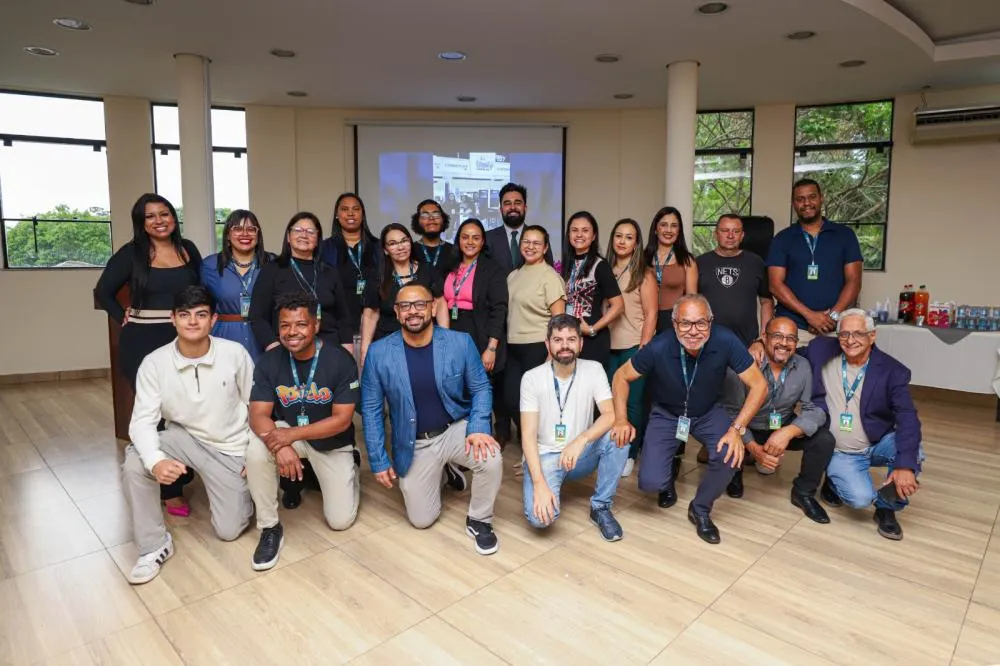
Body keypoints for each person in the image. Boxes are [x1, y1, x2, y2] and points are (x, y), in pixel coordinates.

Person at [120, 286, 254, 584]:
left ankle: (245, 491)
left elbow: (255, 405)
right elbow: (141, 421)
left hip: (229, 448)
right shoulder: (154, 362)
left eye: (201, 315)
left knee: (229, 531)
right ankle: (153, 545)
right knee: (135, 460)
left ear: (213, 320)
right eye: (184, 315)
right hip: (183, 439)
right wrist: (155, 461)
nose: (192, 322)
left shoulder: (235, 354)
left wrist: (254, 453)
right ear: (173, 319)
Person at [611, 294, 767, 544]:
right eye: (686, 323)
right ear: (674, 324)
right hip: (667, 413)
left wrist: (737, 430)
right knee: (650, 482)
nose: (693, 331)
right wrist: (620, 418)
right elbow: (621, 376)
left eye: (701, 323)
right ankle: (666, 480)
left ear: (711, 322)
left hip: (707, 411)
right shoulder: (659, 346)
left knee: (730, 455)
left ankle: (701, 508)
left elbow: (759, 385)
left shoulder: (726, 340)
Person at [361, 284, 503, 555]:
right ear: (397, 312)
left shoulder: (459, 342)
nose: (413, 311)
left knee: (491, 458)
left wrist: (478, 428)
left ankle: (479, 519)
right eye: (405, 306)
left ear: (433, 307)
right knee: (421, 520)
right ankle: (445, 469)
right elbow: (371, 409)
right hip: (416, 443)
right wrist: (378, 459)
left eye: (420, 304)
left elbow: (481, 388)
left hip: (454, 430)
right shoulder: (379, 354)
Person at [96, 193, 201, 516]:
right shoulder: (132, 254)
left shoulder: (188, 249)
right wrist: (122, 315)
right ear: (141, 223)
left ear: (173, 217)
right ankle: (170, 491)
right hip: (142, 340)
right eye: (151, 216)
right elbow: (103, 292)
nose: (159, 220)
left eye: (165, 213)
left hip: (184, 339)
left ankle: (186, 469)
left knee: (187, 408)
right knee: (155, 415)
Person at [245, 292, 361, 570]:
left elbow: (342, 420)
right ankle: (269, 527)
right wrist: (280, 445)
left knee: (340, 522)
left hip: (330, 441)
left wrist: (290, 436)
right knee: (256, 447)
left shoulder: (340, 360)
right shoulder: (269, 361)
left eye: (300, 324)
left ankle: (351, 469)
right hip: (290, 434)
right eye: (285, 325)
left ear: (316, 325)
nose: (292, 332)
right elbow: (257, 414)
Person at [799, 308, 923, 540]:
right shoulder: (820, 349)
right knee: (860, 498)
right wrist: (758, 345)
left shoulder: (892, 371)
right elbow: (789, 352)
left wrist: (904, 466)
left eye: (858, 333)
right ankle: (835, 481)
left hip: (877, 442)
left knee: (913, 452)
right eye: (844, 334)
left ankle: (887, 508)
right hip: (842, 450)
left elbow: (907, 417)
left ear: (872, 336)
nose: (850, 340)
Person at [521, 315, 630, 541]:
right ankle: (542, 484)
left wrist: (580, 441)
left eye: (571, 339)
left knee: (619, 434)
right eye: (558, 340)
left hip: (581, 454)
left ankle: (600, 506)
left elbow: (610, 415)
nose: (564, 346)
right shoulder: (531, 379)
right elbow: (528, 436)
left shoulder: (594, 369)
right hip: (547, 457)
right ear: (547, 344)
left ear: (581, 343)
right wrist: (539, 482)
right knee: (540, 519)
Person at [723, 317, 834, 523]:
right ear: (764, 338)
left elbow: (814, 409)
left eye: (791, 338)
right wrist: (754, 448)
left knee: (825, 439)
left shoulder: (802, 366)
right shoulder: (743, 364)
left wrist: (789, 431)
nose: (784, 343)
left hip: (781, 424)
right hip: (748, 426)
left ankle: (803, 493)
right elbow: (731, 414)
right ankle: (735, 474)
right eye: (778, 336)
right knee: (723, 431)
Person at [766, 179, 863, 342]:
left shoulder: (845, 235)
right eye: (800, 199)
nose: (806, 203)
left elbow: (854, 281)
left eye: (812, 197)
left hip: (836, 328)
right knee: (791, 368)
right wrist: (810, 316)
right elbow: (775, 285)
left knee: (837, 368)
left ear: (821, 198)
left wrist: (831, 317)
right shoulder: (782, 239)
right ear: (793, 203)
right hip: (793, 330)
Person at [250, 212, 353, 354]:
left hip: (328, 349)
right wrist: (273, 348)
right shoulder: (272, 270)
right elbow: (257, 317)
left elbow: (344, 317)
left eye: (310, 231)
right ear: (288, 237)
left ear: (317, 240)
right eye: (298, 230)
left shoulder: (330, 272)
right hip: (286, 350)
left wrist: (347, 349)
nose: (304, 235)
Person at [505, 225, 567, 452]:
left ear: (545, 248)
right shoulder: (514, 275)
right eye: (526, 242)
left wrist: (553, 353)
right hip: (513, 346)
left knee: (537, 404)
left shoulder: (550, 276)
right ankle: (531, 448)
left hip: (537, 347)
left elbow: (559, 321)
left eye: (536, 243)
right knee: (512, 400)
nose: (530, 247)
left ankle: (537, 453)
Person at [605, 219, 658, 477]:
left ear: (637, 243)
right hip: (607, 345)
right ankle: (612, 448)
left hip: (633, 346)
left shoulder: (644, 274)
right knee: (610, 402)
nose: (622, 241)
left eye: (629, 237)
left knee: (633, 403)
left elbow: (651, 314)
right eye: (618, 236)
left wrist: (644, 349)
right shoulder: (605, 269)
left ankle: (629, 451)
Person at [359, 223, 449, 365]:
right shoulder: (378, 276)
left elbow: (440, 304)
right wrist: (365, 349)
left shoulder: (427, 270)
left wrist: (445, 338)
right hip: (388, 343)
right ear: (386, 250)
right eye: (393, 243)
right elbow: (370, 314)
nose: (400, 247)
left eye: (404, 241)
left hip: (425, 341)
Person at [441, 218, 509, 378]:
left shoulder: (493, 269)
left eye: (475, 238)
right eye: (465, 237)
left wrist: (491, 348)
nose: (470, 242)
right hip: (451, 331)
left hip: (479, 333)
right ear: (458, 239)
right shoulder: (449, 266)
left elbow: (499, 310)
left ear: (483, 241)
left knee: (479, 388)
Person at [201, 209, 271, 361]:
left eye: (251, 229)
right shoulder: (210, 265)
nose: (245, 234)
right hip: (223, 337)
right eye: (237, 229)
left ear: (258, 236)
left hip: (263, 339)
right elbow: (199, 304)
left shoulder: (272, 263)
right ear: (227, 235)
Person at [696, 214, 773, 347]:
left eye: (736, 231)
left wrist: (762, 338)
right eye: (725, 231)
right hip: (706, 343)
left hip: (747, 344)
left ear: (742, 235)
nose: (730, 235)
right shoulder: (700, 263)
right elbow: (689, 302)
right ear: (716, 234)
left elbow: (766, 302)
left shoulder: (756, 262)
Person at [560, 211, 623, 366]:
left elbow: (619, 306)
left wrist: (593, 329)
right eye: (574, 230)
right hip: (569, 338)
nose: (579, 234)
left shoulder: (600, 265)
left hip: (593, 341)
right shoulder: (567, 264)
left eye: (585, 230)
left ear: (594, 236)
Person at [319, 193, 381, 340]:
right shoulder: (325, 248)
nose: (351, 213)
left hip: (375, 328)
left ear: (362, 214)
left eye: (356, 209)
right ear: (337, 215)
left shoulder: (378, 246)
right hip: (338, 328)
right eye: (345, 209)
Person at [645, 206, 698, 334]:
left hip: (674, 322)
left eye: (674, 226)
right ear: (656, 229)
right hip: (643, 320)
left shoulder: (687, 261)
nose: (668, 230)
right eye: (663, 225)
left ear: (679, 230)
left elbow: (692, 301)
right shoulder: (642, 258)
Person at [483, 182, 553, 273]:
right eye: (507, 203)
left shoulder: (539, 237)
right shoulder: (487, 238)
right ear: (501, 210)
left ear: (525, 208)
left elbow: (548, 270)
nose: (513, 207)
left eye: (517, 203)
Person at [411, 198, 459, 270]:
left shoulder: (455, 251)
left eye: (436, 214)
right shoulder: (409, 251)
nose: (431, 218)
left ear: (443, 220)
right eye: (425, 215)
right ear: (417, 221)